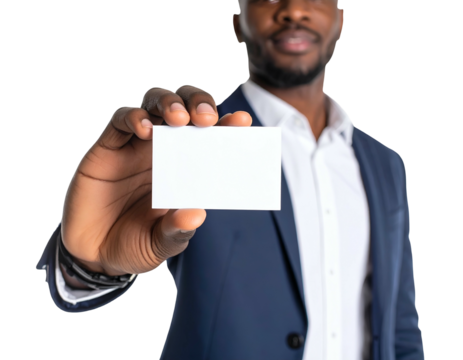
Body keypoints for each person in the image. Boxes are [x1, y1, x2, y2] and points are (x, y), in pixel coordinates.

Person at [36, 1, 424, 359]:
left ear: (340, 21)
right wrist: (88, 265)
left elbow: (399, 321)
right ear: (239, 25)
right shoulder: (186, 142)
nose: (293, 10)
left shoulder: (386, 164)